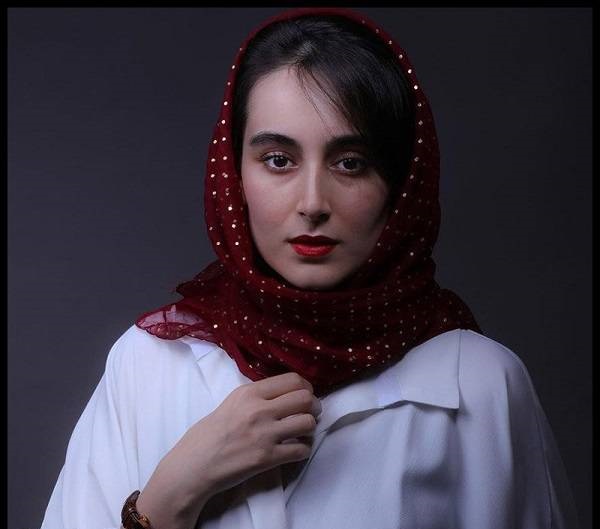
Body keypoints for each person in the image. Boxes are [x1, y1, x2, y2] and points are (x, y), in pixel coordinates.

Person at [40, 7, 579, 529]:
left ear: (400, 182)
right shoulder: (149, 363)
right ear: (233, 172)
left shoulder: (480, 383)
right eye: (279, 160)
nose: (313, 202)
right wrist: (172, 495)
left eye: (351, 163)